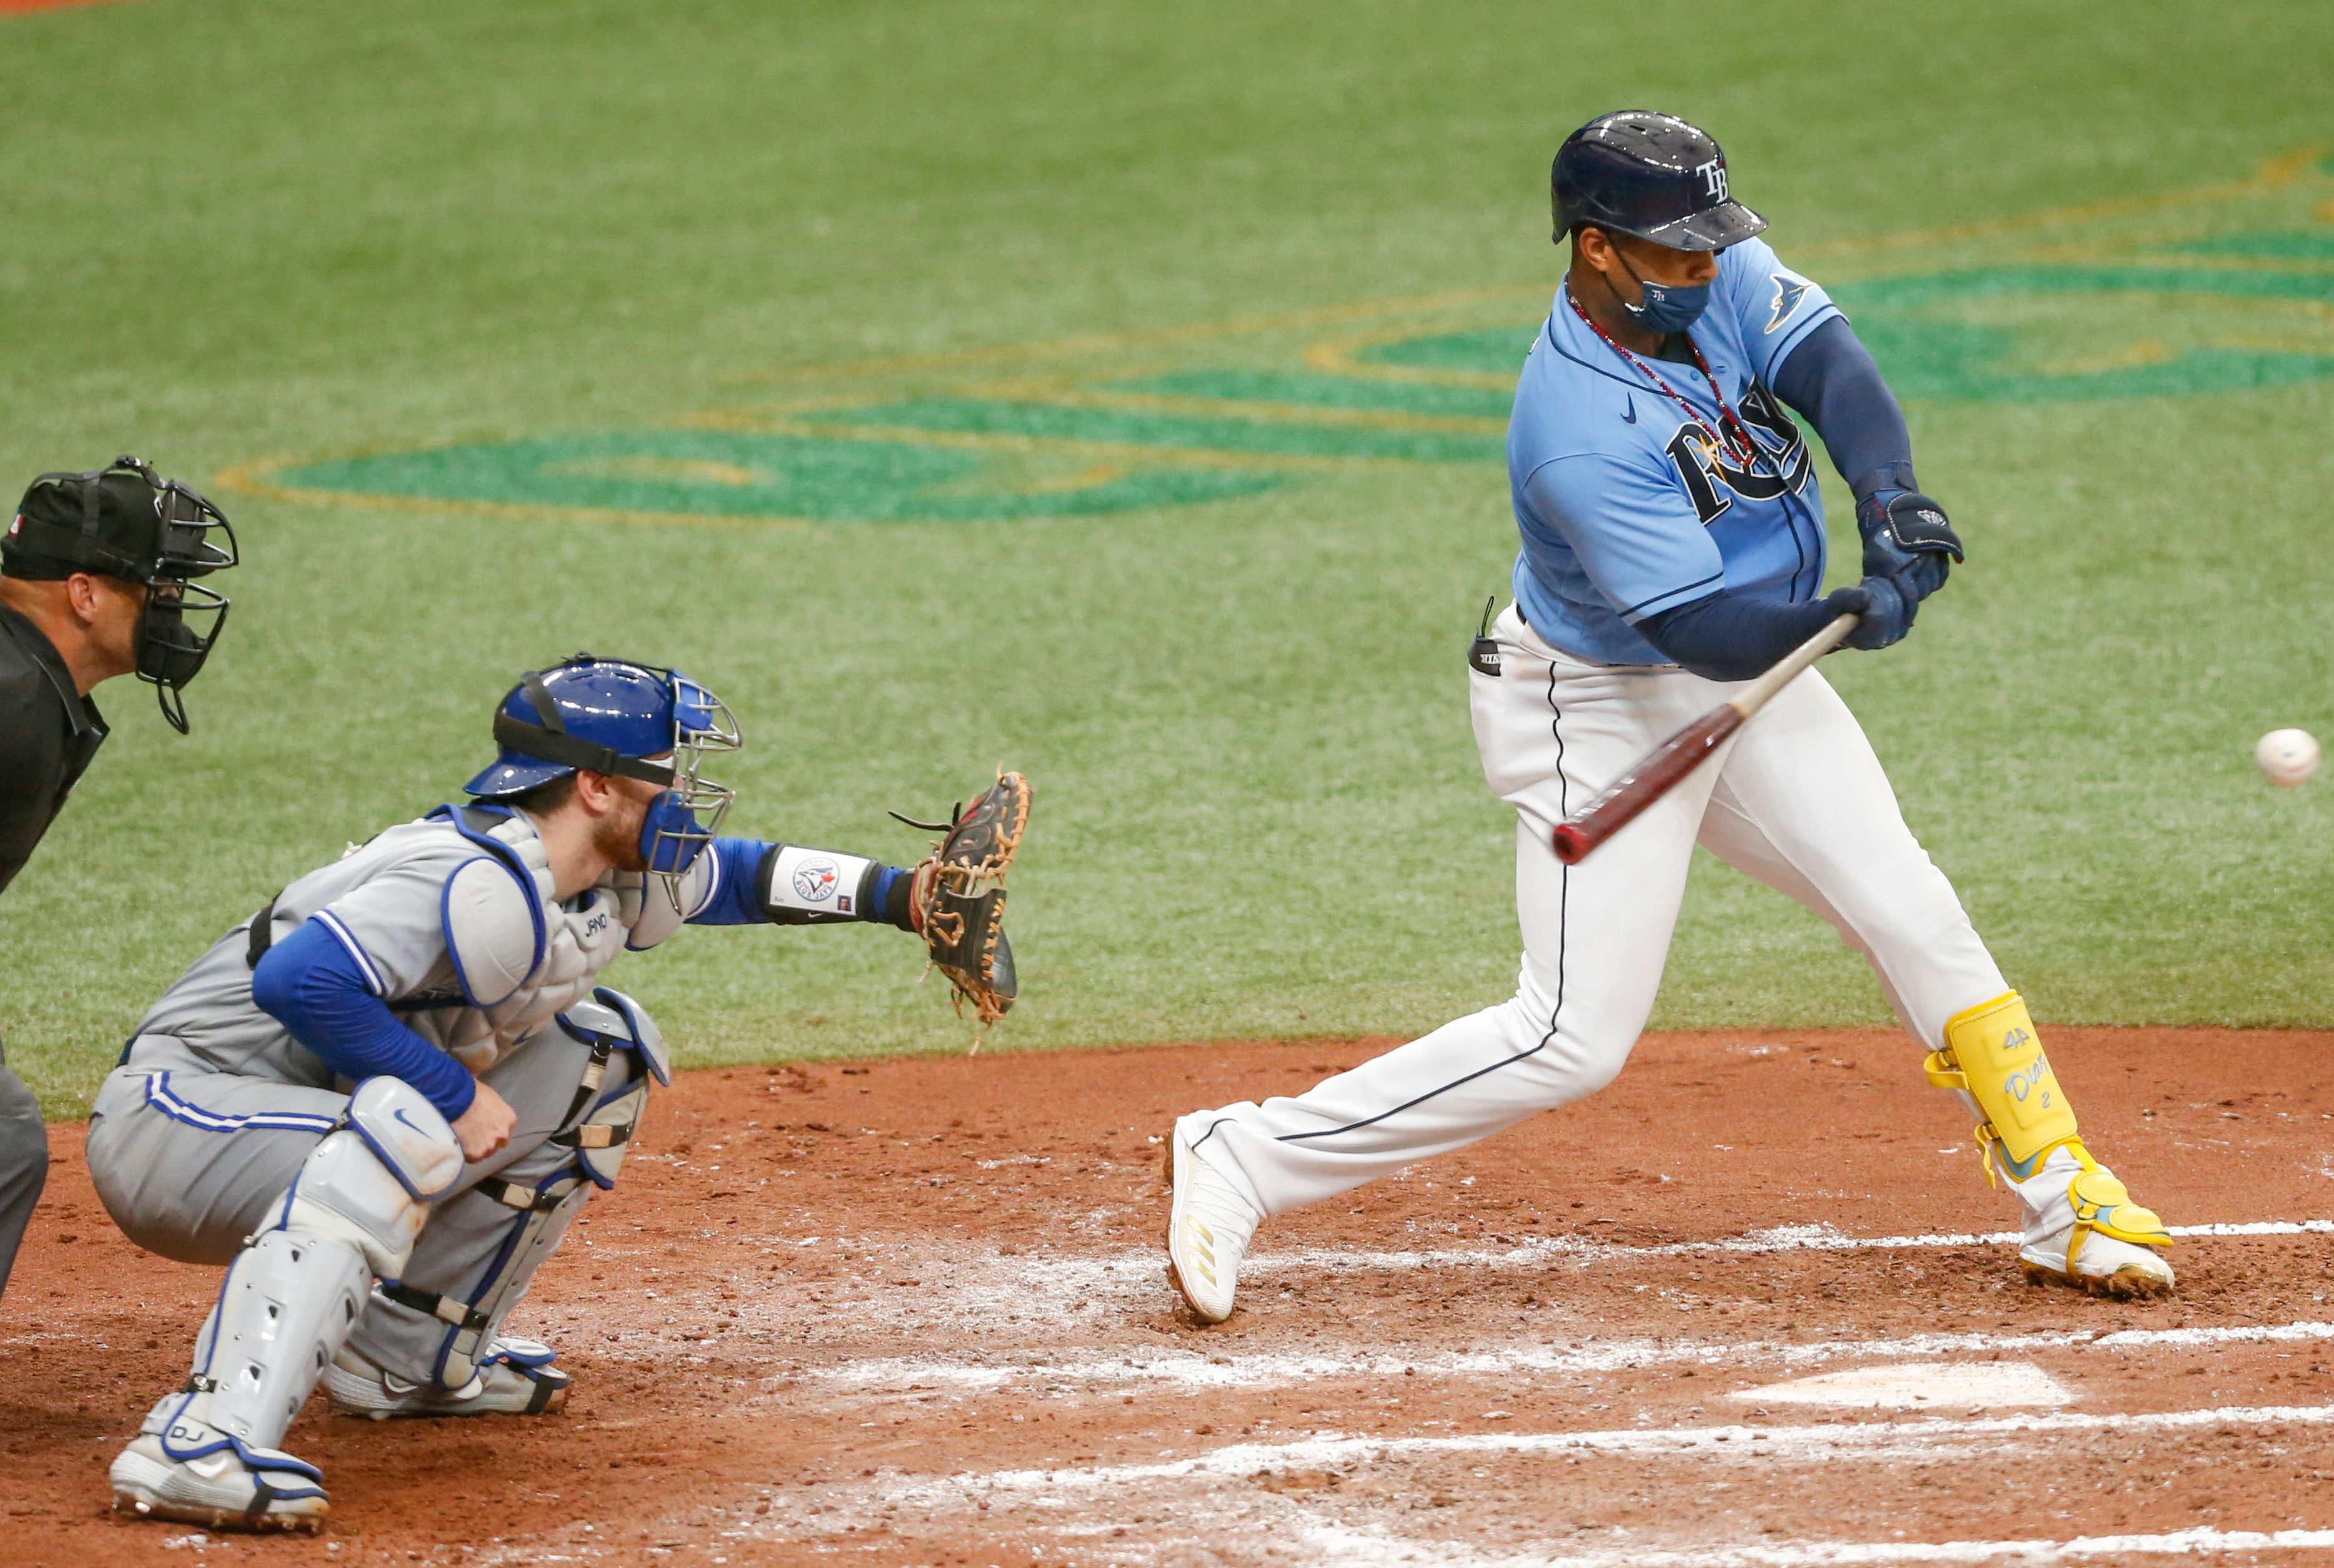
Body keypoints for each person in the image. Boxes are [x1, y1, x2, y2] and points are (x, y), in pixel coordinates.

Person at [1162, 111, 2173, 1326]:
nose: (1709, 267)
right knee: (1569, 1037)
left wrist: (1891, 497)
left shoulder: (1706, 269)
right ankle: (1242, 1151)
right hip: (1595, 700)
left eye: (1712, 245)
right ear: (1598, 249)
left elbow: (1831, 368)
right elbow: (1695, 627)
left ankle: (2062, 1187)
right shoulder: (1572, 431)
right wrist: (1853, 611)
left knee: (1908, 901)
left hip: (1748, 665)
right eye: (1676, 252)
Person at [91, 654, 1027, 1532]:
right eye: (667, 770)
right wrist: (449, 1088)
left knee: (603, 1052)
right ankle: (203, 1442)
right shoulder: (458, 873)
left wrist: (905, 894)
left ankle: (405, 1358)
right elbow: (299, 981)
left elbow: (738, 875)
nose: (685, 790)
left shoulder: (601, 872)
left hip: (301, 1128)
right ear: (595, 786)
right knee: (408, 1119)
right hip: (181, 1121)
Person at [0, 457, 240, 1308]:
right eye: (162, 589)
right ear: (85, 594)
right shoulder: (14, 706)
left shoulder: (27, 682)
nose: (175, 610)